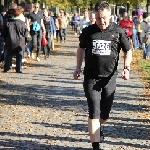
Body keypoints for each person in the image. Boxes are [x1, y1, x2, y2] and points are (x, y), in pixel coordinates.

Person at [73, 1, 132, 150]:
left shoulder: (118, 31)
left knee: (104, 115)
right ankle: (96, 145)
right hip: (91, 77)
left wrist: (126, 68)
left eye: (104, 18)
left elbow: (128, 50)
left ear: (110, 16)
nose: (102, 21)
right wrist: (78, 67)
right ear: (94, 17)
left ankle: (99, 127)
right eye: (98, 18)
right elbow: (80, 49)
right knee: (94, 111)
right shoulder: (88, 31)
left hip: (109, 78)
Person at [3, 6, 28, 73]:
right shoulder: (22, 23)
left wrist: (5, 40)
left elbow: (4, 32)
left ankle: (7, 67)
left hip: (10, 41)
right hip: (20, 41)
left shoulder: (8, 22)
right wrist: (26, 41)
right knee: (19, 55)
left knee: (8, 55)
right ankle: (18, 68)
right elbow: (25, 33)